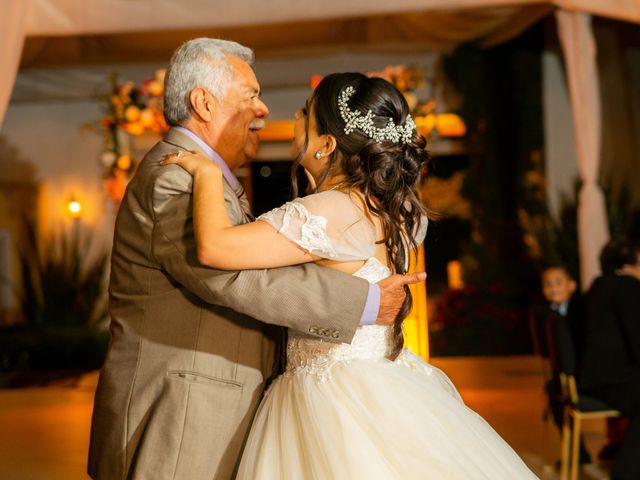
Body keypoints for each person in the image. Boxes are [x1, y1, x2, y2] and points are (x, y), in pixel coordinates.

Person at [163, 72, 538, 479]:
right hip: (384, 385)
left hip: (329, 399)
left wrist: (206, 174)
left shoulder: (328, 209)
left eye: (305, 113)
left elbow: (215, 248)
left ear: (326, 145)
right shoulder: (394, 209)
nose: (294, 116)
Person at [87, 39, 423, 480]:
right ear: (203, 103)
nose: (265, 111)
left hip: (281, 403)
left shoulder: (212, 178)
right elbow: (229, 277)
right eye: (251, 96)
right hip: (181, 414)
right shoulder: (175, 176)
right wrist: (359, 303)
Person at [581, 238, 640, 480]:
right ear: (628, 265)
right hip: (612, 380)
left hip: (594, 378)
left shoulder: (597, 286)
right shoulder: (628, 287)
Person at [530, 264, 591, 464]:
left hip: (583, 371)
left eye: (558, 282)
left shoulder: (582, 309)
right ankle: (576, 451)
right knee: (554, 398)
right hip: (562, 374)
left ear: (572, 285)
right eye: (548, 284)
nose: (553, 287)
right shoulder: (546, 313)